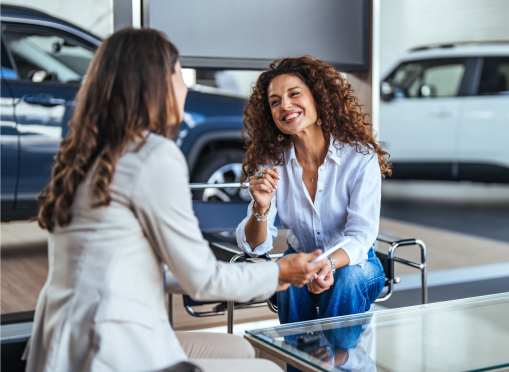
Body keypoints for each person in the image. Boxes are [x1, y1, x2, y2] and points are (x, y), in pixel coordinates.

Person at [23, 29, 324, 372]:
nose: (185, 86)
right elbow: (203, 281)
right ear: (157, 84)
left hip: (65, 342)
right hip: (110, 348)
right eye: (180, 74)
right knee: (267, 370)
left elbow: (142, 267)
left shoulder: (88, 154)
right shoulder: (153, 156)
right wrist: (279, 270)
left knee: (238, 349)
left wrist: (274, 275)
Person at [236, 56, 392, 326]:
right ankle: (302, 362)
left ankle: (341, 363)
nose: (285, 105)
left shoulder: (359, 157)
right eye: (275, 101)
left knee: (347, 279)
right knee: (290, 277)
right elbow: (254, 247)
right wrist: (260, 208)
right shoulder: (271, 163)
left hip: (355, 264)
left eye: (294, 93)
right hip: (301, 257)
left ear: (319, 97)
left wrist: (326, 264)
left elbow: (361, 236)